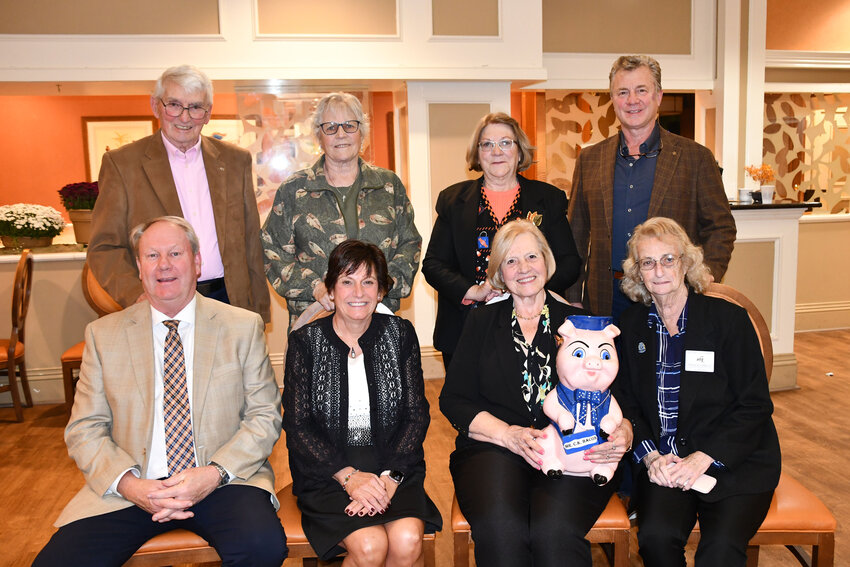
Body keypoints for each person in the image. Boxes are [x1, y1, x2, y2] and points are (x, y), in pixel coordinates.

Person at [34, 217, 287, 566]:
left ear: (197, 263)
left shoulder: (241, 327)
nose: (164, 265)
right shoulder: (103, 335)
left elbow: (264, 417)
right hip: (134, 488)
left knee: (263, 548)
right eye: (152, 256)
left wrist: (212, 474)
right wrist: (129, 485)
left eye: (175, 253)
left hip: (223, 481)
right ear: (139, 267)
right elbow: (84, 429)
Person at [439, 219, 632, 566]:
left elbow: (620, 395)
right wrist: (508, 435)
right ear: (499, 271)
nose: (523, 268)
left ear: (546, 260)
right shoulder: (481, 322)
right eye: (511, 261)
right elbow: (454, 400)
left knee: (553, 532)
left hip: (573, 452)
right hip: (494, 448)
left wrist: (625, 431)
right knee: (502, 529)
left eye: (531, 256)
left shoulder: (580, 324)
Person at [612, 216, 780, 566]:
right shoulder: (629, 328)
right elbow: (626, 404)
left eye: (668, 259)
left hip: (733, 463)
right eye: (648, 262)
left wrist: (705, 456)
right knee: (656, 540)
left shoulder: (728, 321)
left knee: (720, 551)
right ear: (637, 273)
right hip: (667, 465)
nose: (658, 270)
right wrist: (650, 457)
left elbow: (754, 405)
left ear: (686, 263)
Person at [283, 239, 441, 565]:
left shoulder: (400, 334)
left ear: (381, 291)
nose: (359, 292)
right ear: (330, 291)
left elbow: (416, 414)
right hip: (328, 471)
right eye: (347, 281)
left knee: (408, 540)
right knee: (370, 547)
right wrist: (348, 477)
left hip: (393, 463)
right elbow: (298, 426)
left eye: (368, 282)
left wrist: (391, 477)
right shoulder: (305, 343)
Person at [88, 64, 270, 322]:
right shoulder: (123, 164)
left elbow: (251, 241)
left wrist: (259, 311)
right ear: (156, 107)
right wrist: (137, 296)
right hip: (160, 303)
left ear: (208, 114)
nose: (184, 117)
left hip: (229, 301)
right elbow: (104, 247)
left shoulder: (235, 160)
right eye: (174, 104)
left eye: (196, 107)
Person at [567, 55, 736, 322]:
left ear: (658, 96)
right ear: (613, 100)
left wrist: (703, 277)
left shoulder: (695, 158)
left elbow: (721, 227)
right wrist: (573, 296)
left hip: (671, 293)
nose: (632, 100)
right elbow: (574, 234)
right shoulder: (589, 160)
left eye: (641, 90)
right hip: (605, 297)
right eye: (623, 92)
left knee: (667, 365)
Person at [423, 112, 581, 369]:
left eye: (506, 143)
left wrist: (531, 287)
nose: (497, 151)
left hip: (535, 323)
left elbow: (569, 262)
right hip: (466, 328)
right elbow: (433, 265)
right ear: (478, 153)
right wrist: (472, 291)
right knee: (467, 404)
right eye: (487, 144)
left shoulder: (548, 198)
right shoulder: (453, 200)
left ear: (519, 151)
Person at [262, 92, 421, 329]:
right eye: (331, 127)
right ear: (319, 135)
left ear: (361, 132)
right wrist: (315, 287)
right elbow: (271, 249)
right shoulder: (294, 190)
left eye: (349, 125)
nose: (341, 134)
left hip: (378, 316)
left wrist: (381, 286)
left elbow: (410, 244)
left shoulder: (388, 185)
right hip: (316, 319)